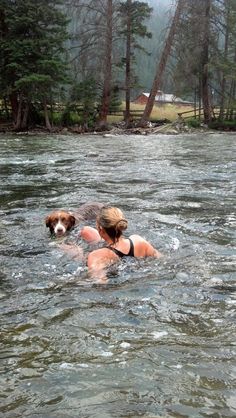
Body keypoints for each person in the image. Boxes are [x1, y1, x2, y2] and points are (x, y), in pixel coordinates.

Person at [80, 206, 162, 282]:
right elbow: (161, 260)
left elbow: (99, 284)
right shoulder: (139, 241)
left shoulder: (97, 256)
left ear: (100, 229)